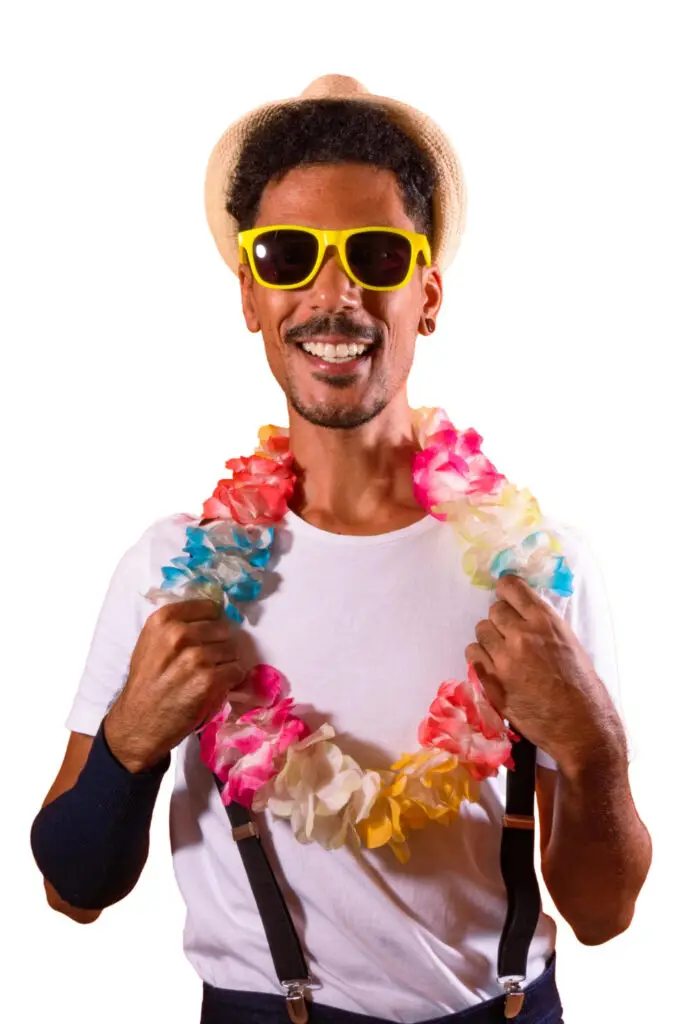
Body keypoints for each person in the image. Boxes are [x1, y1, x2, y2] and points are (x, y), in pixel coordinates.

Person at [30, 75, 651, 1024]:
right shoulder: (173, 574)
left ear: (427, 294)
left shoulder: (536, 575)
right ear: (250, 294)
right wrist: (128, 743)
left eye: (376, 254)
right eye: (289, 256)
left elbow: (602, 918)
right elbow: (72, 892)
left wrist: (594, 749)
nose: (335, 296)